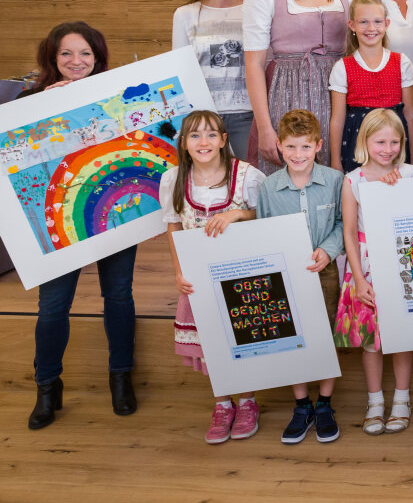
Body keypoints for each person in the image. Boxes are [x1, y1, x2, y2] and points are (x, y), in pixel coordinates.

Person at [24, 22, 139, 430]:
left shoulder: (116, 97)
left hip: (112, 212)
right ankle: (46, 386)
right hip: (56, 220)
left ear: (98, 58)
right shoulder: (28, 100)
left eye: (86, 54)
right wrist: (39, 105)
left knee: (119, 296)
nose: (77, 62)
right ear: (52, 59)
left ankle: (121, 378)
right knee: (53, 306)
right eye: (66, 54)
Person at [161, 110, 266, 444]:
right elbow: (174, 225)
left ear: (223, 140)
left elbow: (266, 215)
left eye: (210, 135)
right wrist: (179, 271)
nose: (202, 142)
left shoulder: (246, 175)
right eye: (194, 136)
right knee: (211, 344)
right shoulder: (175, 178)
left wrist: (238, 213)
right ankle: (222, 403)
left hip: (239, 275)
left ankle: (247, 401)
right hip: (200, 280)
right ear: (184, 143)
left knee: (241, 340)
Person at [256, 109, 345, 444]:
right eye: (291, 147)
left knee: (323, 335)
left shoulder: (335, 181)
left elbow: (341, 223)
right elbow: (264, 230)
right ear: (279, 146)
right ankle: (301, 404)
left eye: (305, 147)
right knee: (292, 336)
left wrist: (329, 249)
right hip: (285, 276)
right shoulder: (269, 187)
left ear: (318, 146)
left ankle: (324, 404)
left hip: (324, 273)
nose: (298, 155)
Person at [244, 0, 357, 174]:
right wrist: (264, 127)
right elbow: (254, 64)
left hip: (338, 95)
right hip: (286, 94)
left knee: (336, 174)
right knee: (288, 174)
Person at [332, 109, 413, 436]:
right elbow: (349, 232)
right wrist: (358, 277)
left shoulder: (410, 174)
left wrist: (396, 192)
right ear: (365, 141)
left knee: (400, 336)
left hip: (402, 264)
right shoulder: (352, 180)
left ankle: (402, 399)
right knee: (371, 341)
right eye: (380, 141)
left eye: (395, 141)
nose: (388, 148)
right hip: (365, 267)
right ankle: (375, 401)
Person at [173, 0, 253, 160]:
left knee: (248, 184)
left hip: (246, 116)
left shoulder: (253, 11)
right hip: (202, 119)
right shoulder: (185, 15)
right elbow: (181, 73)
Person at [328, 0, 413, 171]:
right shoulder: (342, 67)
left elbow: (409, 114)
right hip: (357, 145)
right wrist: (335, 163)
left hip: (394, 146)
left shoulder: (401, 63)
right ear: (352, 25)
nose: (371, 28)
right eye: (363, 22)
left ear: (386, 24)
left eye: (377, 21)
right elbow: (337, 119)